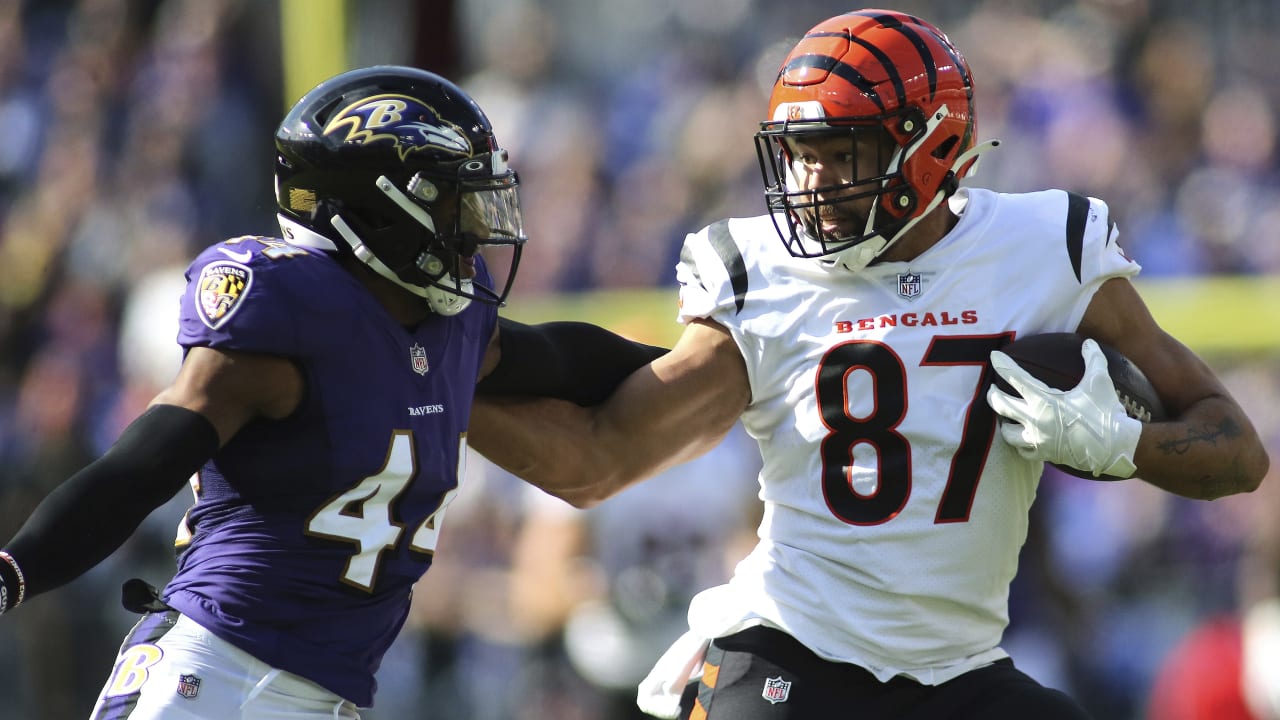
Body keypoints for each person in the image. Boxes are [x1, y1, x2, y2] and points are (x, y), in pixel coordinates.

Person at [468, 9, 1271, 720]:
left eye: (838, 154)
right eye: (799, 155)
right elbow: (599, 460)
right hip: (792, 652)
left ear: (929, 145)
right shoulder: (761, 273)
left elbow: (1238, 450)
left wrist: (1126, 448)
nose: (809, 183)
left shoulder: (1044, 251)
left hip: (959, 671)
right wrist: (435, 387)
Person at [0, 65, 663, 719]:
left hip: (327, 697)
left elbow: (566, 359)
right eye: (452, 204)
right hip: (213, 677)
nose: (473, 233)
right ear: (378, 210)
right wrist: (13, 571)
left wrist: (730, 361)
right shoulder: (288, 309)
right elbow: (138, 470)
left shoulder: (452, 325)